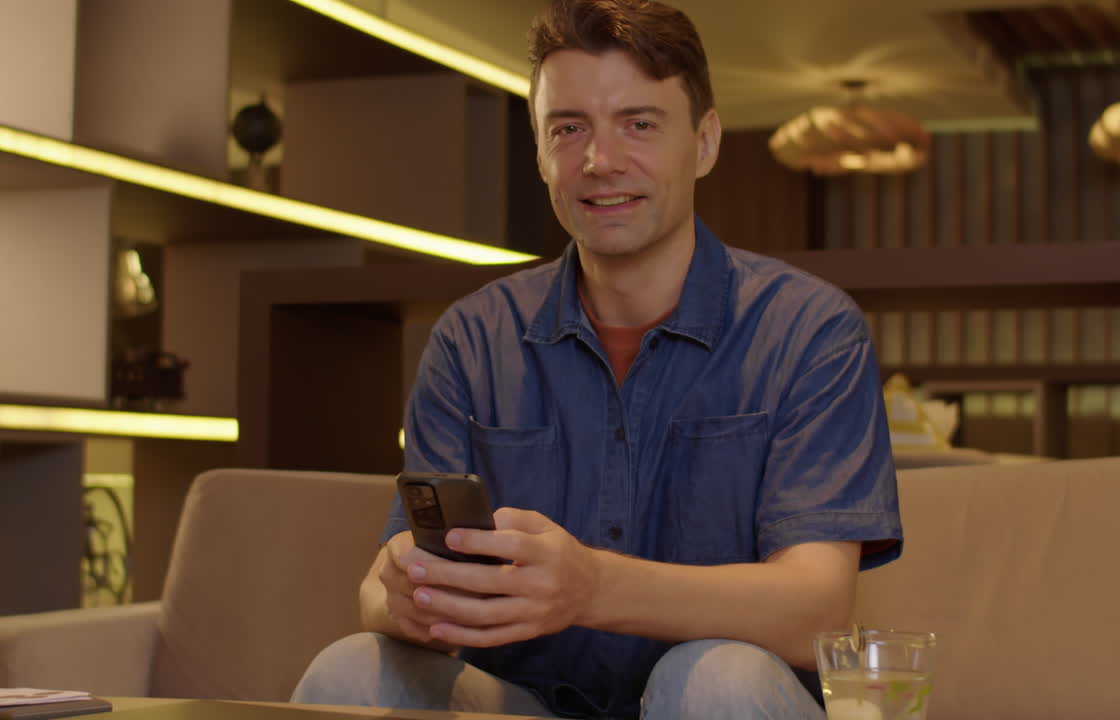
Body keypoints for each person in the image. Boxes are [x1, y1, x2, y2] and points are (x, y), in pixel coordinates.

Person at [292, 0, 902, 717]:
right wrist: (400, 596)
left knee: (712, 680)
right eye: (568, 128)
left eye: (639, 124)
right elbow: (384, 586)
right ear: (542, 150)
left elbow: (819, 610)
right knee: (350, 671)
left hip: (726, 704)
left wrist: (590, 586)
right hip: (522, 702)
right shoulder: (471, 339)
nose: (600, 161)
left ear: (704, 143)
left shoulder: (809, 329)